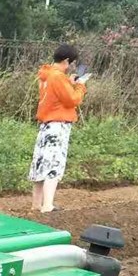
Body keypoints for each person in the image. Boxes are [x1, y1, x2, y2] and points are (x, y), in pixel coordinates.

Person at [29, 43, 88, 213]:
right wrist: (80, 85)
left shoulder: (46, 75)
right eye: (71, 63)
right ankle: (47, 205)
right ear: (67, 61)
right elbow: (72, 100)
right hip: (58, 125)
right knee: (54, 164)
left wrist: (69, 83)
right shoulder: (57, 76)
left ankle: (37, 204)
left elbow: (56, 96)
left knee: (40, 163)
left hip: (45, 124)